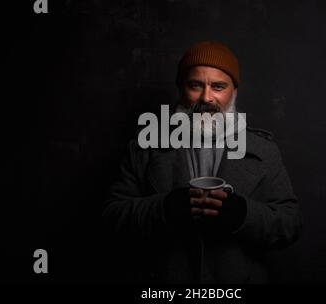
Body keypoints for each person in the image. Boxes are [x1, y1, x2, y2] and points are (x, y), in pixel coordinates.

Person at [102, 41, 302, 283]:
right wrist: (165, 209)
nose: (207, 97)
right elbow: (112, 217)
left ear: (234, 92)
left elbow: (290, 224)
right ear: (181, 89)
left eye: (218, 86)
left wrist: (242, 214)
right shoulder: (146, 146)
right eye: (195, 85)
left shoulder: (263, 150)